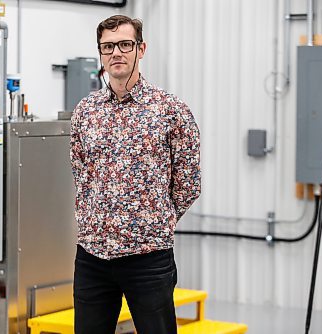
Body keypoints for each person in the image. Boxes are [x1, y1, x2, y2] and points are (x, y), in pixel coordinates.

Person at [70, 14, 201, 334]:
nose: (117, 53)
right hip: (92, 256)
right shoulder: (85, 111)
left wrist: (156, 219)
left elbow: (189, 182)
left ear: (140, 49)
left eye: (125, 45)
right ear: (100, 53)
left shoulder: (170, 109)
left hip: (149, 258)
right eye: (108, 46)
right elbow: (80, 170)